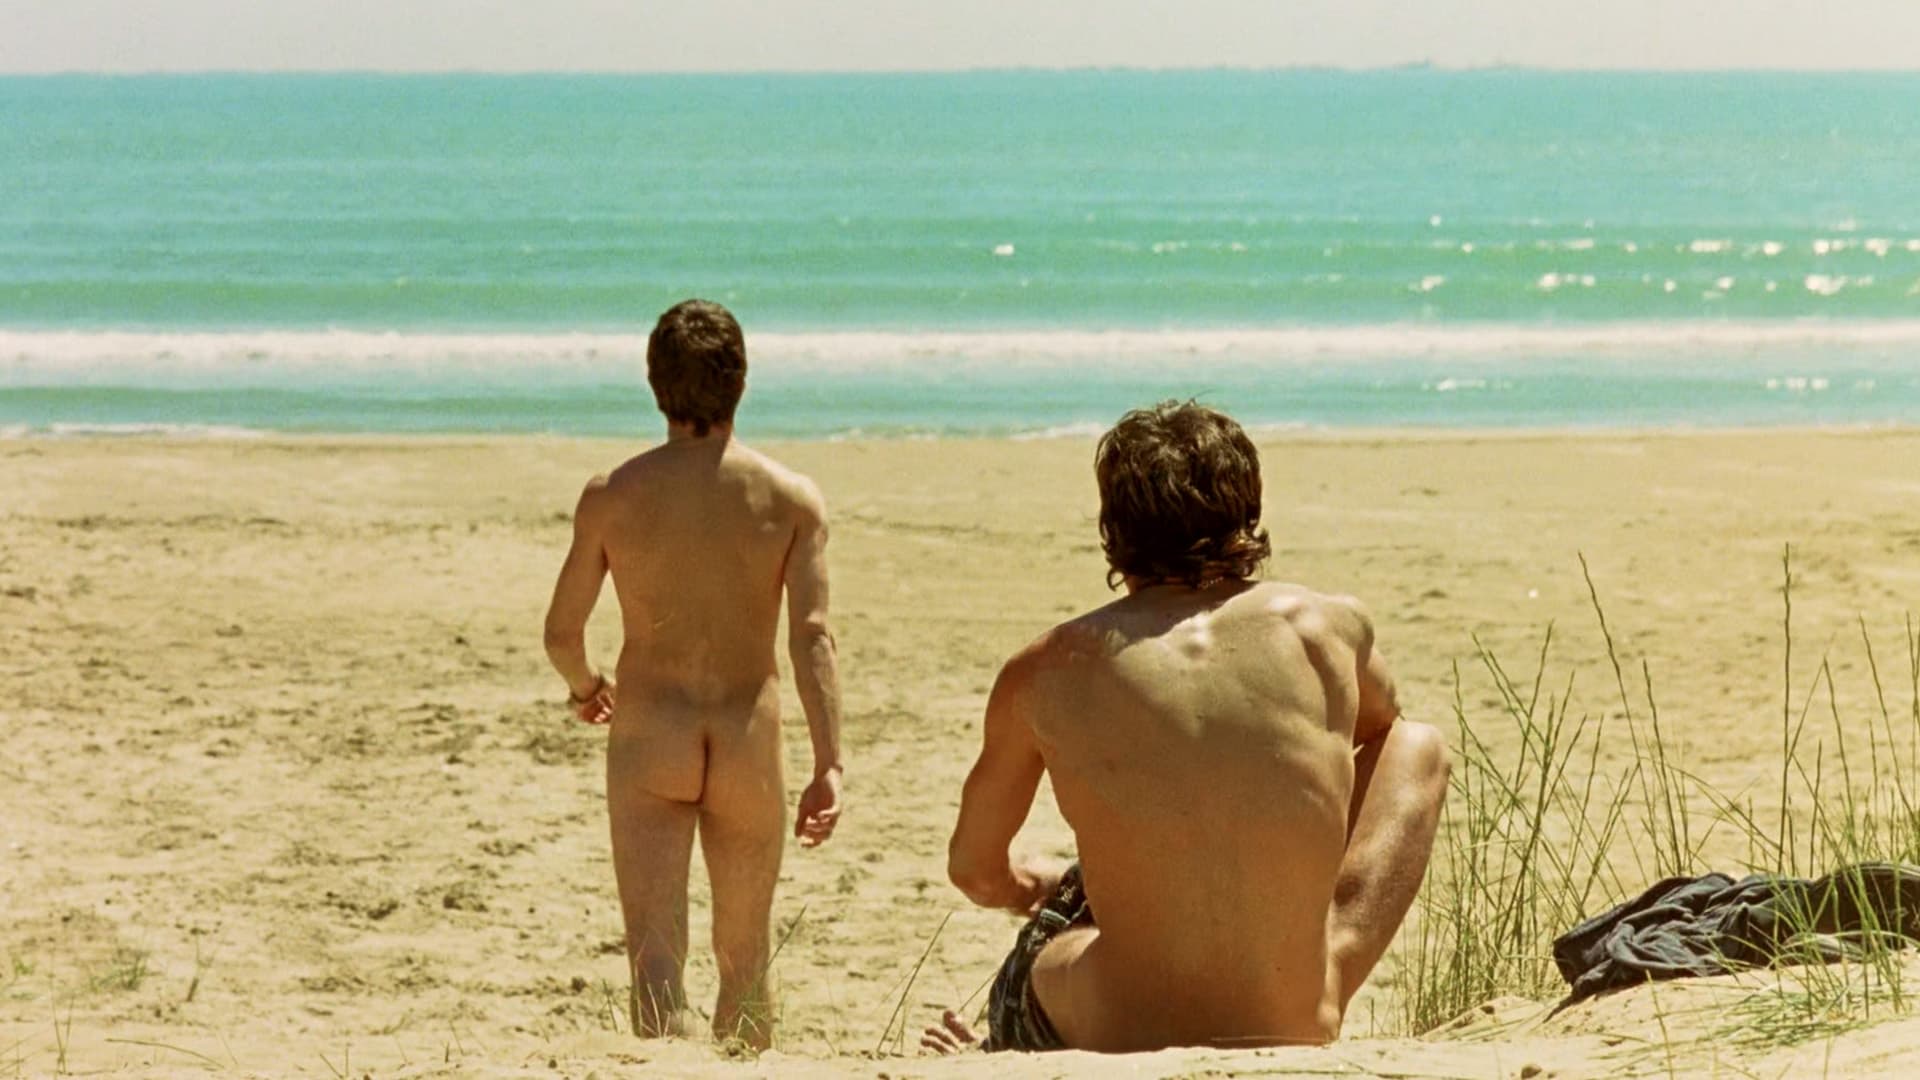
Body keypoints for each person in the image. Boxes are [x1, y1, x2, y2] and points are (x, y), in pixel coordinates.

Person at [923, 400, 1449, 1054]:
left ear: (1113, 527)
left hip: (1119, 1031)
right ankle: (1317, 981)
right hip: (1292, 1023)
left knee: (1057, 932)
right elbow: (1381, 726)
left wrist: (1036, 888)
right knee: (1417, 746)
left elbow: (974, 871)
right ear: (1248, 512)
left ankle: (989, 1052)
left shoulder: (1046, 667)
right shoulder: (1326, 627)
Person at [543, 299, 844, 1048]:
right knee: (745, 964)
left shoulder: (613, 495)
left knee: (655, 963)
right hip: (747, 740)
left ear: (655, 385)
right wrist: (829, 762)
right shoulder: (791, 500)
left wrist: (586, 689)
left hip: (652, 735)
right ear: (741, 381)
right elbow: (812, 637)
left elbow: (561, 634)